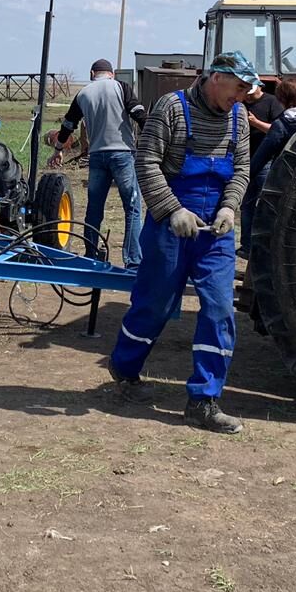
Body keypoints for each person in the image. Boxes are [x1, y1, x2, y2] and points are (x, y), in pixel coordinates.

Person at [106, 51, 256, 434]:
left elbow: (241, 169)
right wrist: (172, 210)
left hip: (215, 232)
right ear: (216, 77)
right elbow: (146, 161)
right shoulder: (171, 109)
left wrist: (229, 209)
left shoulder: (238, 118)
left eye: (246, 90)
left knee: (220, 308)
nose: (241, 97)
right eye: (238, 88)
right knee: (155, 304)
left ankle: (204, 401)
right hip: (170, 226)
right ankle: (124, 370)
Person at [48, 59, 146, 267]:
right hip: (122, 154)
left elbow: (68, 125)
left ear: (93, 73)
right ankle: (133, 261)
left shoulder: (83, 94)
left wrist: (57, 150)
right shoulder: (122, 87)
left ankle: (91, 255)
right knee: (132, 207)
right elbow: (139, 114)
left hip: (97, 156)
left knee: (94, 209)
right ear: (111, 73)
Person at [239, 68, 296, 257]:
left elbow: (262, 156)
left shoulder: (284, 124)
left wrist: (244, 178)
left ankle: (254, 259)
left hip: (286, 184)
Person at [242, 82, 286, 156]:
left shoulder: (272, 101)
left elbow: (279, 130)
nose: (247, 96)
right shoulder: (239, 102)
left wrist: (256, 123)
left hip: (264, 153)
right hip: (243, 152)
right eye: (245, 93)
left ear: (260, 87)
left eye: (251, 94)